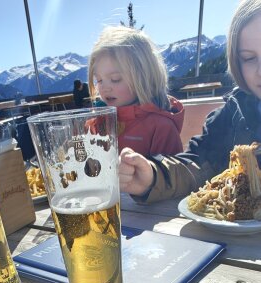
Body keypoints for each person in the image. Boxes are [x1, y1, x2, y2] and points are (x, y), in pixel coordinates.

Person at [119, 0, 261, 202]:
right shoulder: (231, 116)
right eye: (248, 58)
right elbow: (196, 164)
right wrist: (153, 177)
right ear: (236, 61)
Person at [88, 26, 184, 158]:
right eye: (99, 80)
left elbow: (172, 175)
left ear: (144, 77)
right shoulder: (96, 124)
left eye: (115, 79)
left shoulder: (161, 127)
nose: (104, 87)